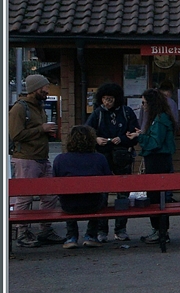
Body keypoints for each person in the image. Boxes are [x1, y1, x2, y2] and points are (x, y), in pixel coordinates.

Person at [8, 73, 62, 247]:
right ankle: (22, 232)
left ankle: (45, 229)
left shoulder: (39, 106)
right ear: (35, 89)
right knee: (24, 197)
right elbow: (15, 135)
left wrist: (46, 132)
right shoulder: (19, 108)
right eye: (45, 88)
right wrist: (41, 129)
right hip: (26, 159)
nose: (47, 91)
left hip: (41, 157)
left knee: (50, 195)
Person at [84, 82, 140, 242]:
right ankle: (102, 230)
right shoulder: (97, 113)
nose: (107, 102)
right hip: (102, 157)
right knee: (102, 194)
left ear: (117, 99)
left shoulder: (127, 112)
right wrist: (96, 139)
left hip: (122, 156)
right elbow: (86, 132)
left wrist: (121, 139)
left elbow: (134, 134)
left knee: (123, 194)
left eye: (110, 99)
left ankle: (120, 229)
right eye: (104, 99)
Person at [52, 125, 112, 248]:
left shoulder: (60, 159)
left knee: (66, 194)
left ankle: (71, 237)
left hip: (69, 205)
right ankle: (91, 235)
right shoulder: (99, 158)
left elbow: (55, 183)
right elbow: (109, 182)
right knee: (101, 194)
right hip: (93, 204)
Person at [135, 88, 177, 245]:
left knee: (155, 197)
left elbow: (155, 143)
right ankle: (160, 230)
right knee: (159, 197)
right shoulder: (161, 118)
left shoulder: (159, 119)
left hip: (157, 160)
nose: (143, 106)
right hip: (161, 160)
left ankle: (160, 231)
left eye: (145, 103)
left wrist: (140, 137)